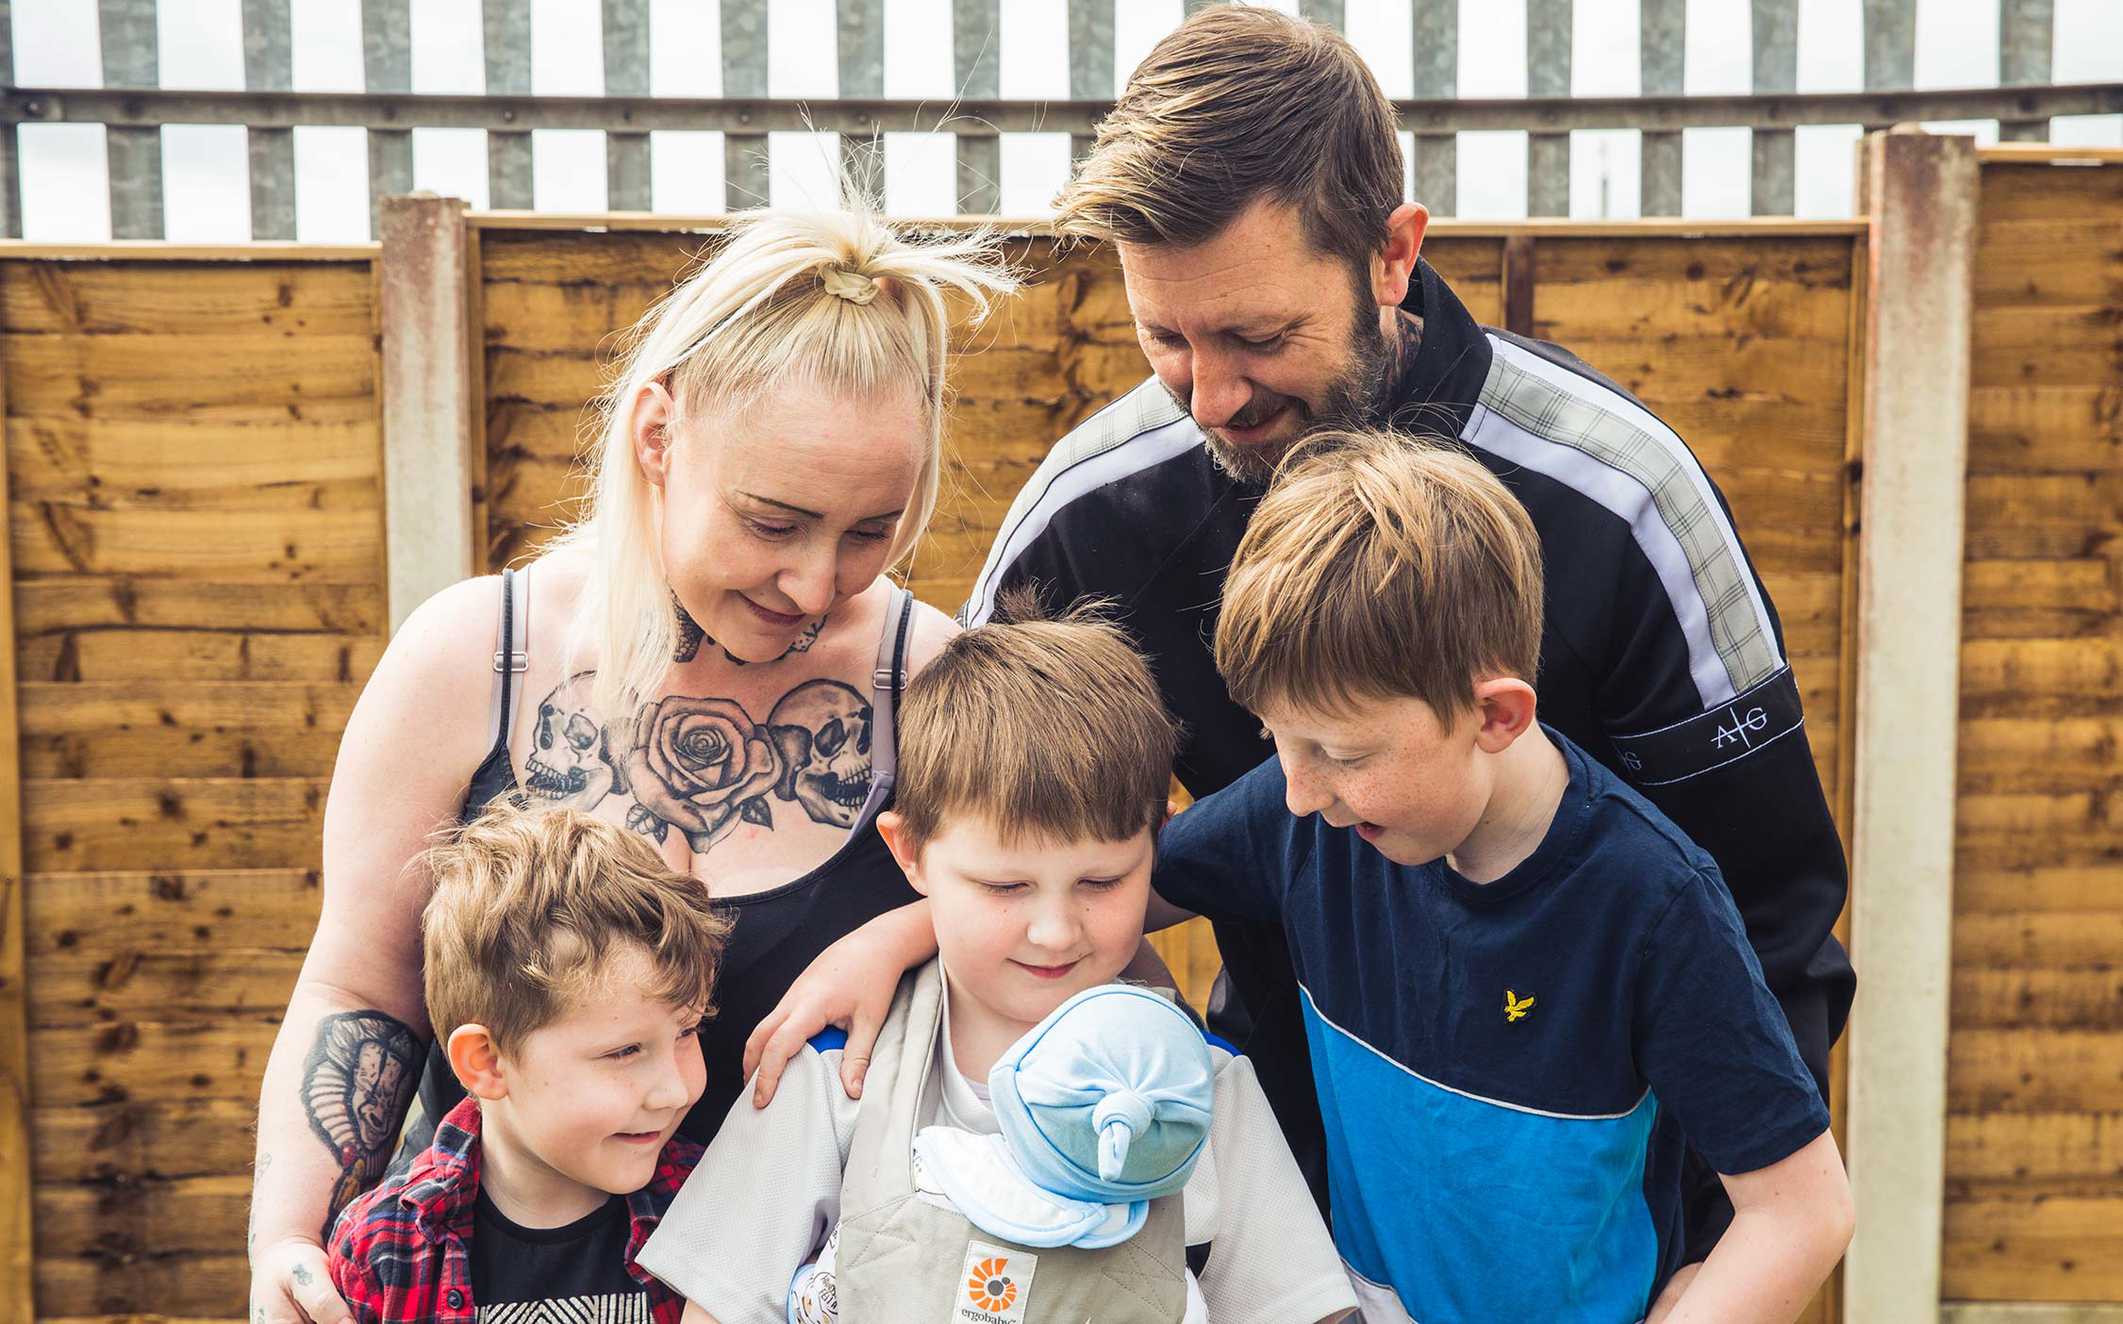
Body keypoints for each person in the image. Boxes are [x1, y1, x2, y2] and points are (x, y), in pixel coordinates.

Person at [759, 2, 1855, 1263]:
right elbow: (988, 822)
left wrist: (1700, 1268)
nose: (1209, 396)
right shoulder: (1090, 510)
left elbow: (1771, 927)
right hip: (1257, 1210)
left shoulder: (1624, 497)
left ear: (1390, 255)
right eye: (1163, 338)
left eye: (1257, 337)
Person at [248, 208, 1018, 1324]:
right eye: (772, 522)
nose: (812, 583)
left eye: (867, 533)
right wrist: (288, 1241)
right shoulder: (473, 658)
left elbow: (1083, 930)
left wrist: (918, 926)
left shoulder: (938, 683)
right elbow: (364, 990)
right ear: (658, 433)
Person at [1158, 430, 1854, 1321]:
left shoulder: (1650, 904)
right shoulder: (1307, 810)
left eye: (1340, 751)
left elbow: (1802, 1212)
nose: (1296, 794)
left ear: (1494, 715)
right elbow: (1096, 890)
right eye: (1274, 739)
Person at [637, 602, 1356, 1324]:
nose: (1053, 932)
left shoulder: (1203, 1086)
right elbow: (722, 1302)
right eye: (1005, 886)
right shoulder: (835, 1073)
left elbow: (1300, 1305)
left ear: (1157, 845)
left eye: (1101, 882)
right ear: (909, 852)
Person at [329, 805, 732, 1324]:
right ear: (488, 1063)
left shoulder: (715, 1211)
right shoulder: (382, 1253)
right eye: (624, 1051)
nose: (674, 1091)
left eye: (686, 1033)